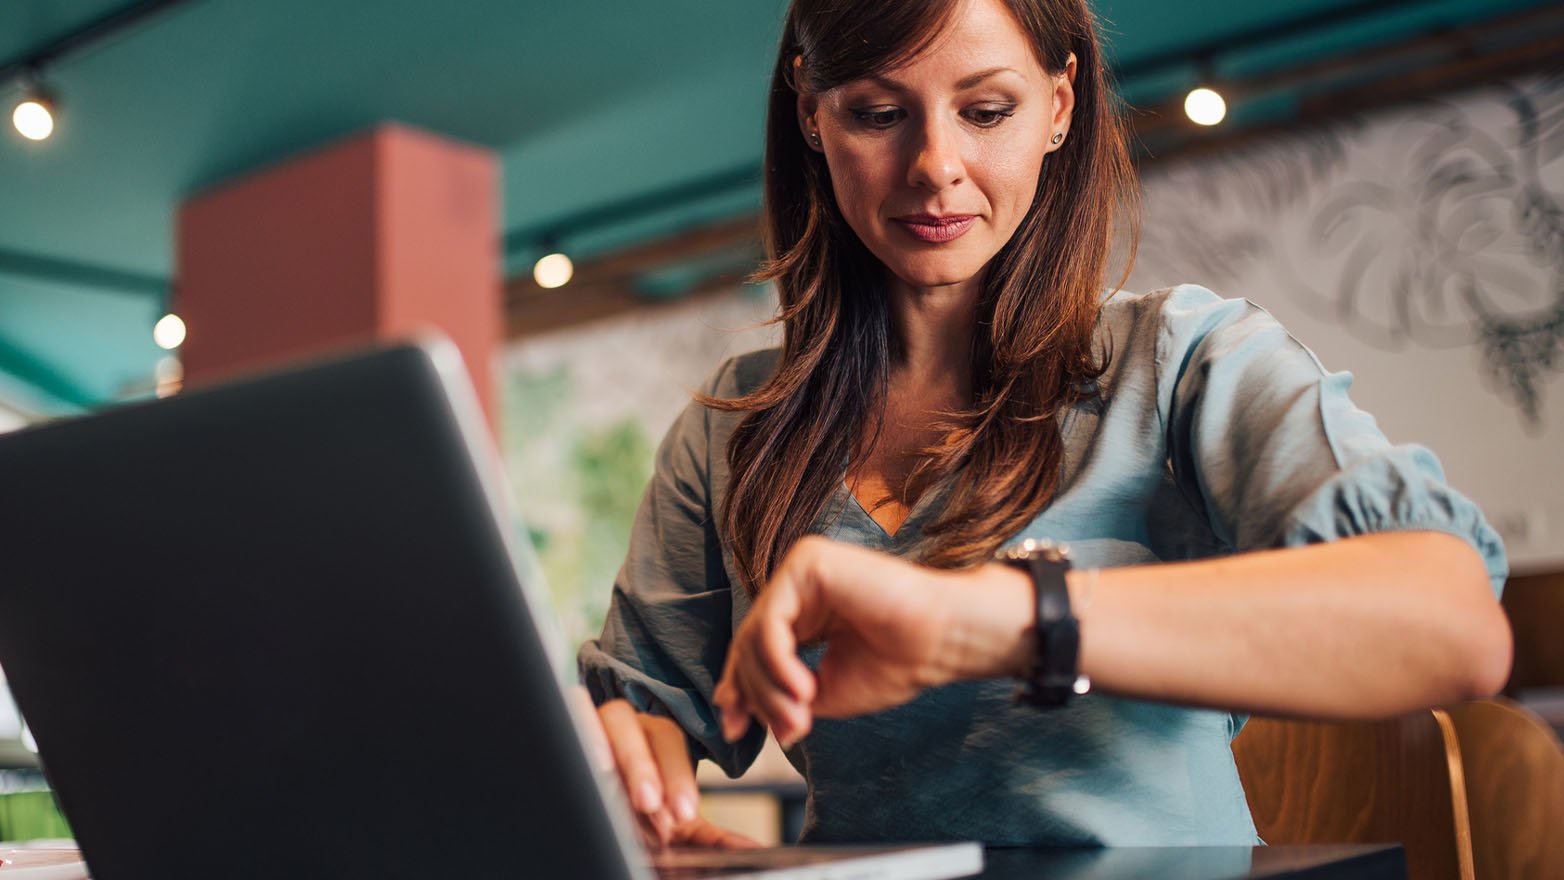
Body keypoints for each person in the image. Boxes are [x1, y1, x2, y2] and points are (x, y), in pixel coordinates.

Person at [577, 0, 1512, 849]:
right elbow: (643, 712)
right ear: (811, 113)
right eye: (876, 112)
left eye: (986, 112)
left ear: (1060, 106)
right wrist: (640, 785)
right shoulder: (736, 427)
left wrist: (998, 619)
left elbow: (1452, 625)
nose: (936, 165)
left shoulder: (1185, 360)